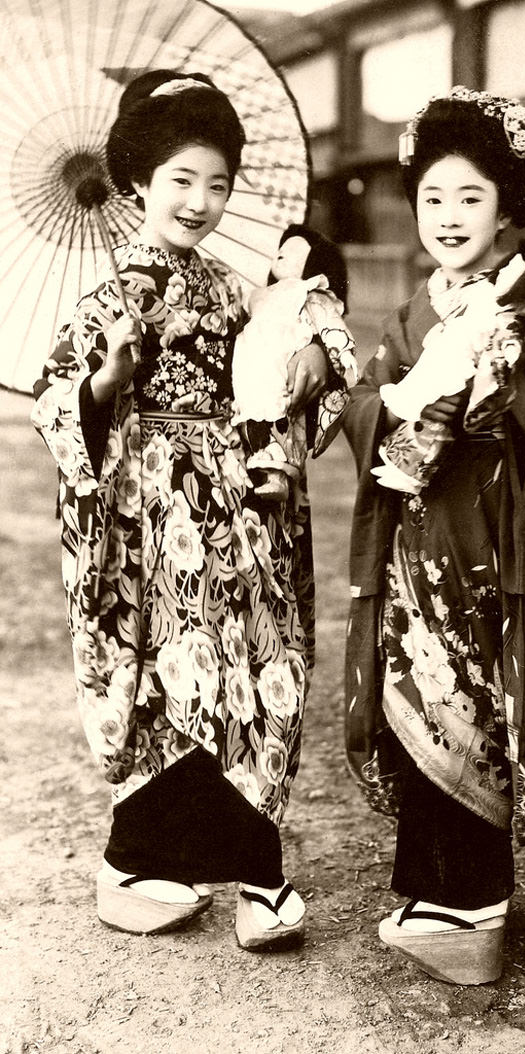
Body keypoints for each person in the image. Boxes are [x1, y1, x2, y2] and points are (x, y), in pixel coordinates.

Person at [31, 69, 341, 947]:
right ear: (136, 183)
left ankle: (256, 872)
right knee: (172, 676)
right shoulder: (107, 297)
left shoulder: (239, 288)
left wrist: (312, 353)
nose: (201, 202)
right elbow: (58, 406)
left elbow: (287, 359)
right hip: (148, 509)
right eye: (181, 180)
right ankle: (140, 863)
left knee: (256, 662)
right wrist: (109, 379)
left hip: (243, 506)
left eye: (217, 182)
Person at [342, 86, 525, 985]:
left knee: (475, 705)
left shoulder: (520, 307)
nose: (448, 217)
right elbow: (371, 403)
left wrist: (485, 382)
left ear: (507, 208)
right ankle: (430, 896)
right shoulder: (423, 306)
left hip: (487, 540)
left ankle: (473, 909)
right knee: (420, 703)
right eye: (432, 199)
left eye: (470, 198)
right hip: (420, 541)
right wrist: (398, 404)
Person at [232, 223, 357, 502]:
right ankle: (263, 465)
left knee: (283, 408)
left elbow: (329, 323)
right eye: (281, 250)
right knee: (253, 408)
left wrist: (333, 351)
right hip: (251, 363)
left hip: (282, 356)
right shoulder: (257, 295)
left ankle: (279, 473)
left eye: (293, 251)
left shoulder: (308, 291)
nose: (281, 254)